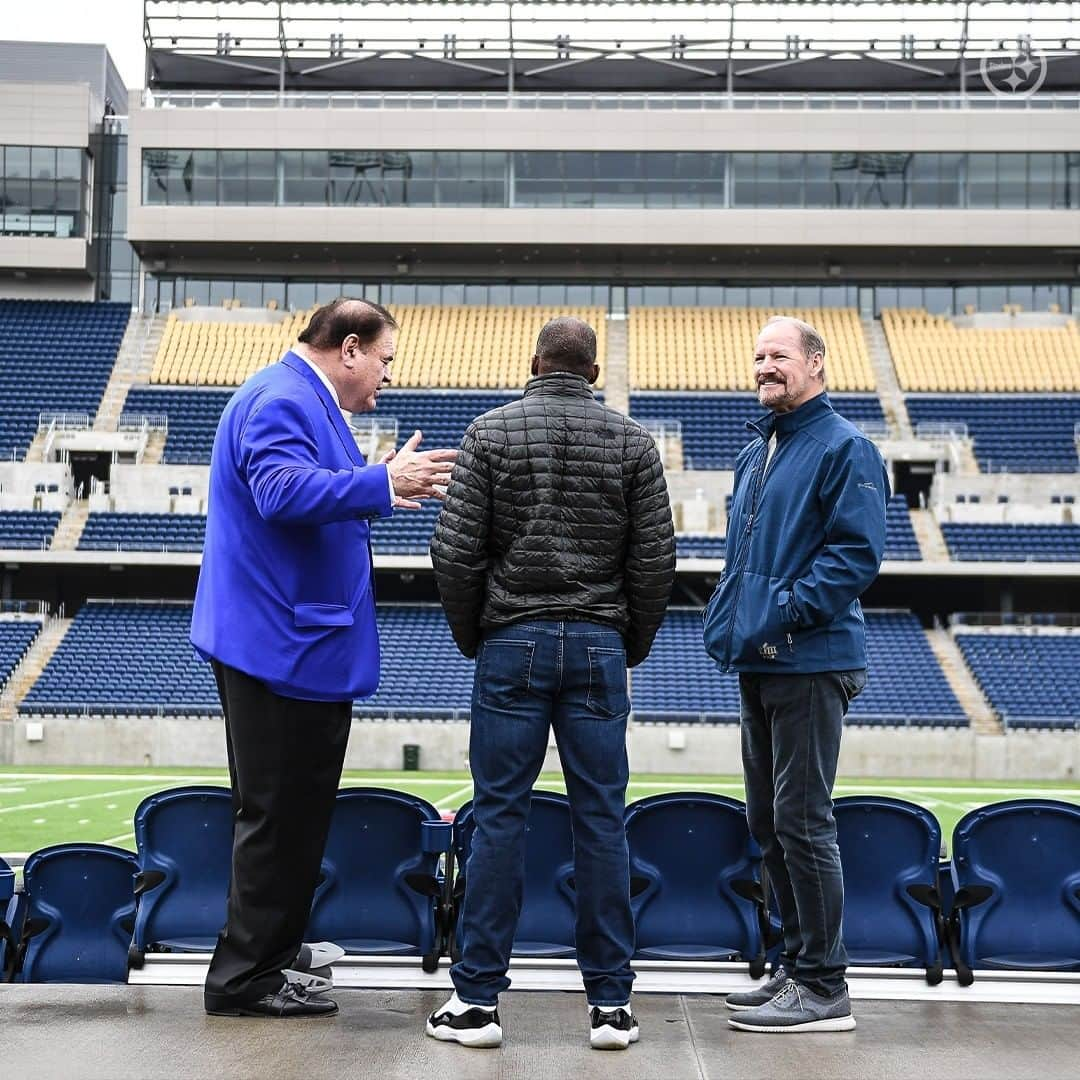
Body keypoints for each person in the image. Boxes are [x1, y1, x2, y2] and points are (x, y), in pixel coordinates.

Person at [191, 298, 456, 1019]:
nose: (386, 377)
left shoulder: (298, 398)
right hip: (280, 646)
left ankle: (272, 951)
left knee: (291, 812)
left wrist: (373, 485)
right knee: (279, 815)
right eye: (384, 360)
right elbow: (279, 492)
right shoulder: (281, 398)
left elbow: (303, 488)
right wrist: (379, 484)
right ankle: (246, 974)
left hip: (289, 643)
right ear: (347, 349)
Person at [427, 316, 676, 1051]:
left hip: (513, 641)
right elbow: (656, 561)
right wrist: (626, 643)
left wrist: (479, 634)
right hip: (598, 644)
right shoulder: (634, 443)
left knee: (499, 818)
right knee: (601, 820)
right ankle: (610, 1007)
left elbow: (454, 551)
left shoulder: (490, 432)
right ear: (593, 372)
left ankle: (476, 1001)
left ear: (533, 362)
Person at [703, 315, 888, 1033]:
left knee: (804, 822)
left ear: (815, 364)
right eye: (757, 357)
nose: (764, 367)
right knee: (767, 822)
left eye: (778, 356)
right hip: (760, 657)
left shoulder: (846, 447)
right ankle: (796, 961)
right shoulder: (758, 453)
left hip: (810, 658)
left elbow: (853, 558)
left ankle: (823, 985)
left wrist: (778, 613)